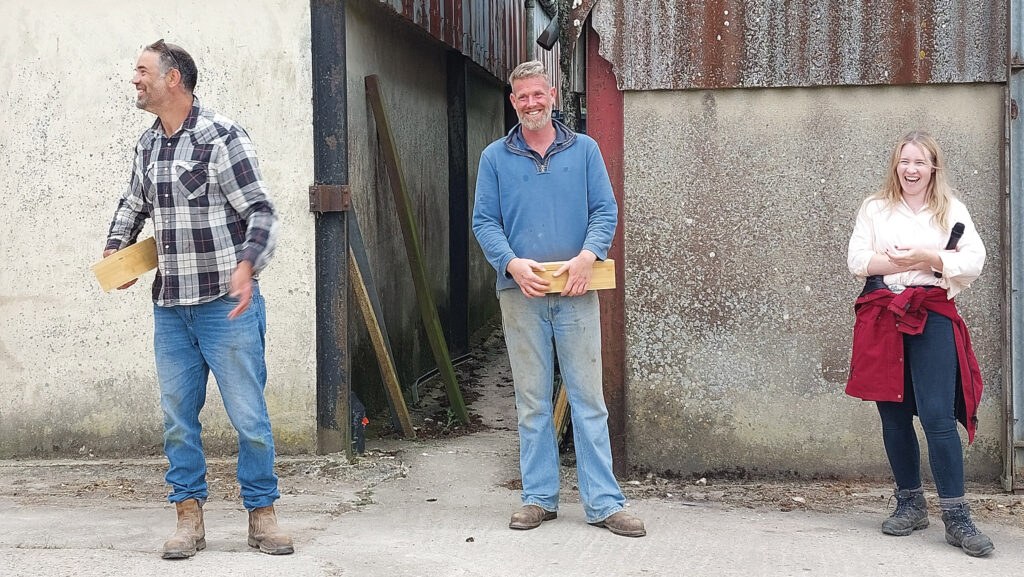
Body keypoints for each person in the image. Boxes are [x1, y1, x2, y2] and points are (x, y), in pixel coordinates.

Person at [103, 40, 292, 558]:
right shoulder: (147, 145)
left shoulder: (221, 136)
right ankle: (188, 519)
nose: (134, 79)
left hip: (224, 306)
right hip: (171, 308)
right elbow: (133, 203)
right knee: (177, 418)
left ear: (174, 79)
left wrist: (248, 265)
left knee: (249, 416)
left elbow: (261, 211)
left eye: (142, 70)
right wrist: (115, 251)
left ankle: (262, 514)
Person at [472, 61, 645, 537]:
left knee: (589, 399)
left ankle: (605, 503)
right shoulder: (494, 158)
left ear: (552, 94)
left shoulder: (584, 150)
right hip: (520, 292)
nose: (531, 103)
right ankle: (538, 498)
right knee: (531, 401)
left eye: (538, 94)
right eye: (521, 97)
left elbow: (604, 210)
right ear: (513, 102)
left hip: (576, 290)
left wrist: (589, 256)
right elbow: (484, 222)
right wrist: (511, 263)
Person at [846, 131, 992, 557]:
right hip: (883, 314)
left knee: (937, 416)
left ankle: (957, 516)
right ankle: (910, 503)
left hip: (932, 314)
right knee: (893, 414)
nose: (911, 169)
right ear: (896, 166)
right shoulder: (875, 208)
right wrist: (904, 262)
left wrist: (931, 258)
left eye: (920, 162)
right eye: (904, 161)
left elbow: (974, 261)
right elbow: (857, 260)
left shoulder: (952, 210)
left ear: (933, 168)